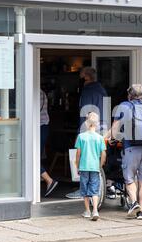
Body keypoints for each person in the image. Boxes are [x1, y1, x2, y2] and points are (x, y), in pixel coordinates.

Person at [105, 84, 142, 220]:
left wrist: (112, 138)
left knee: (129, 179)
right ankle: (141, 212)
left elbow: (116, 127)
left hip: (131, 148)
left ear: (130, 95)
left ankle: (134, 203)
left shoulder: (124, 106)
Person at [66, 67, 108, 199]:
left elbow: (86, 113)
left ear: (86, 77)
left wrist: (83, 131)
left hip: (90, 128)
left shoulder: (88, 91)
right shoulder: (102, 89)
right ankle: (103, 187)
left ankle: (83, 189)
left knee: (82, 158)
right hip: (103, 127)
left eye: (81, 76)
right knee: (98, 159)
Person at [75, 112, 107, 221]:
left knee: (85, 189)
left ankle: (87, 211)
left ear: (86, 123)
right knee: (94, 189)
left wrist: (77, 165)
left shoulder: (81, 137)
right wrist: (100, 165)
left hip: (84, 167)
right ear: (97, 124)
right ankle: (95, 211)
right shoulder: (100, 138)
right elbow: (103, 154)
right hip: (95, 167)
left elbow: (78, 153)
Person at [41, 88, 59, 197]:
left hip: (40, 127)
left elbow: (32, 110)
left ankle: (49, 180)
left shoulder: (37, 93)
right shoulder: (41, 92)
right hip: (41, 126)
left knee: (31, 157)